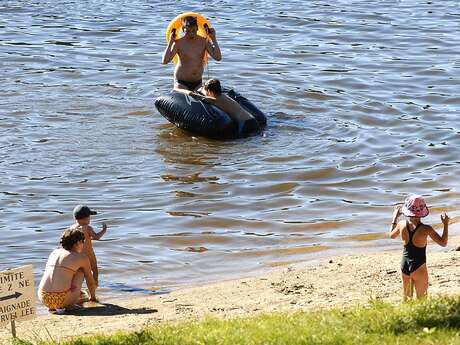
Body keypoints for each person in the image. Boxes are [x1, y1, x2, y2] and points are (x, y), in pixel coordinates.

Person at [389, 195, 449, 299]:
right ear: (422, 212)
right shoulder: (426, 229)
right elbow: (443, 243)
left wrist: (395, 217)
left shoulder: (401, 224)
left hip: (404, 265)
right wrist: (445, 224)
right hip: (419, 266)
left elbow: (391, 235)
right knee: (422, 299)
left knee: (407, 299)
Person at [38, 228, 97, 313]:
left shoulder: (54, 252)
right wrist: (93, 298)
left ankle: (53, 306)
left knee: (66, 271)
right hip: (62, 299)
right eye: (83, 242)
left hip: (43, 297)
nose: (83, 245)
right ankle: (68, 305)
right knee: (81, 271)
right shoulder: (81, 257)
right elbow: (90, 281)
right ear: (77, 243)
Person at [162, 15, 222, 91]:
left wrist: (213, 38)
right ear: (183, 30)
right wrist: (170, 42)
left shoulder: (204, 41)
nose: (191, 33)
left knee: (206, 96)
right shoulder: (178, 43)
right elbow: (164, 61)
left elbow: (218, 58)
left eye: (193, 30)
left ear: (197, 28)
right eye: (188, 31)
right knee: (187, 94)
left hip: (198, 83)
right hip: (181, 83)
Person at [190, 78, 260, 135]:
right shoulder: (224, 96)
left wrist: (191, 93)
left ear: (209, 91)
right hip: (252, 120)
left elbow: (200, 97)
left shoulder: (214, 99)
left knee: (239, 141)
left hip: (245, 124)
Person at [69, 205, 107, 285]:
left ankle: (77, 287)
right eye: (89, 217)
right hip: (88, 255)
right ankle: (94, 284)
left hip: (76, 255)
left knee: (78, 272)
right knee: (94, 270)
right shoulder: (87, 228)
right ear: (86, 218)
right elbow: (97, 237)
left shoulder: (72, 228)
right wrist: (104, 230)